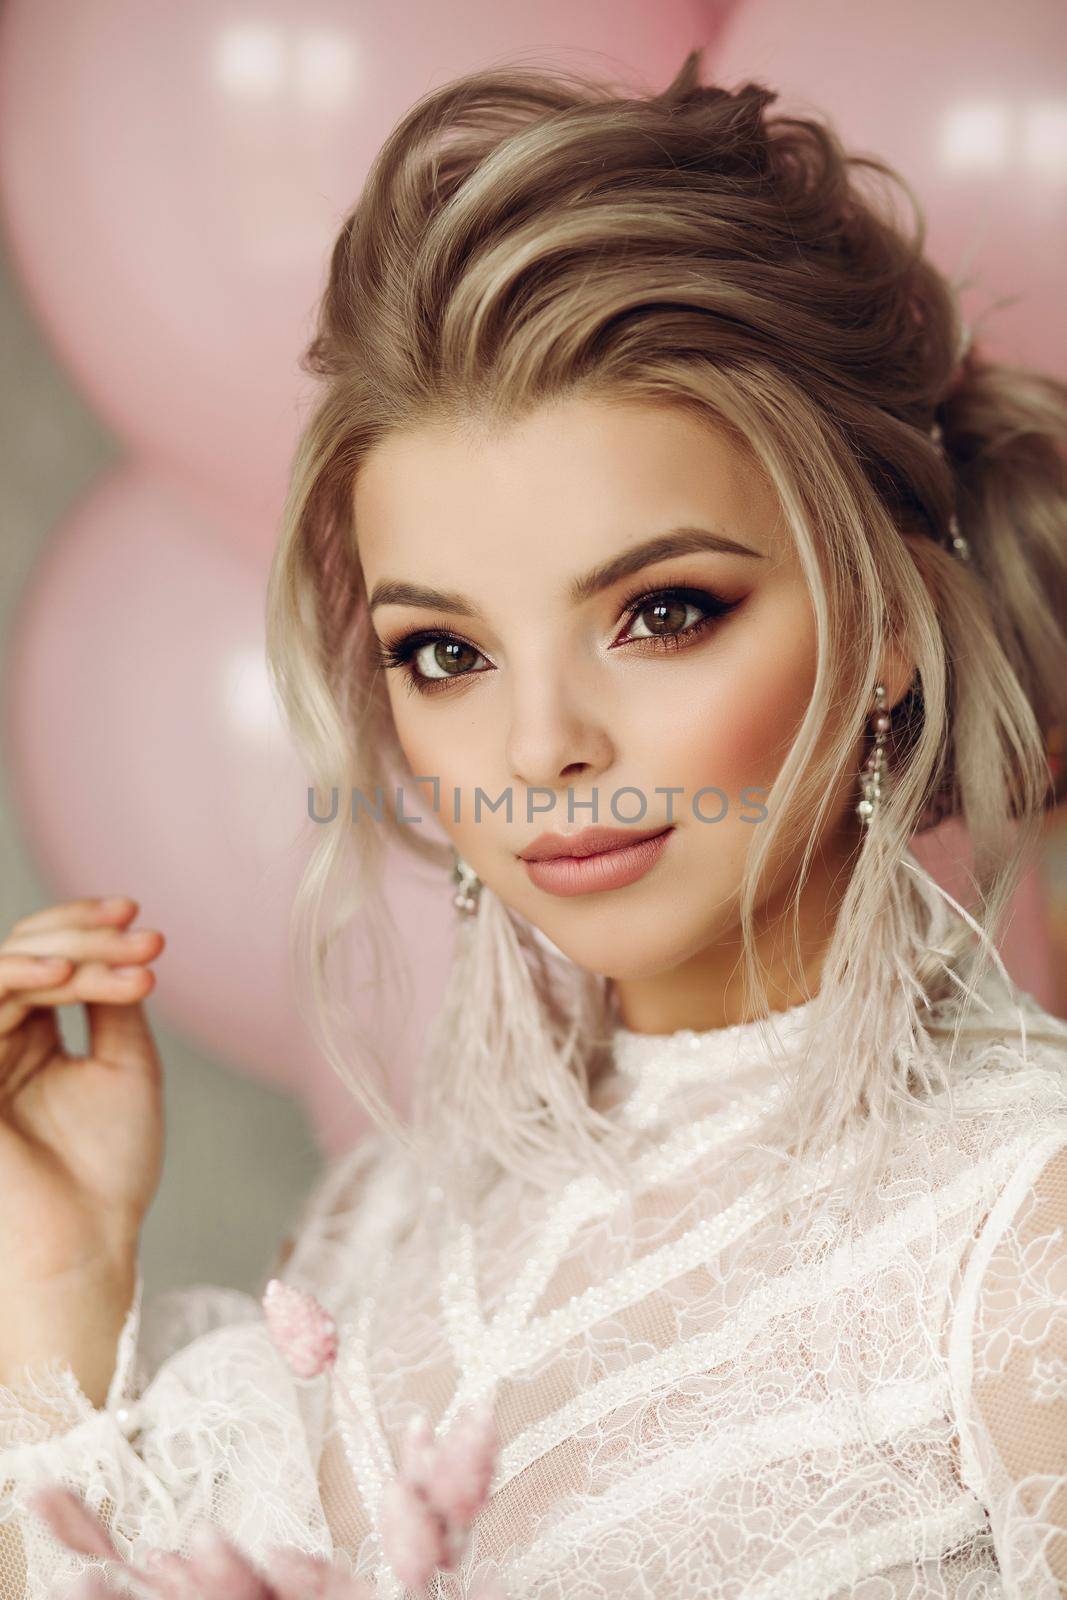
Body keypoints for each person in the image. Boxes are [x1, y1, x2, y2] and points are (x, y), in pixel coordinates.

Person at [1, 43, 1066, 1600]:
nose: (541, 747)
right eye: (445, 653)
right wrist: (60, 1283)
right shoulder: (396, 1220)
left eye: (664, 612)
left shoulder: (1025, 1232)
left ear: (889, 620)